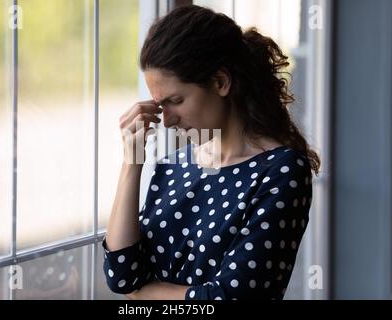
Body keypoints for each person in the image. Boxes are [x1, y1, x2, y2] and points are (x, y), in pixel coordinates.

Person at [102, 5, 320, 300]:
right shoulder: (175, 165)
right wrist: (132, 162)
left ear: (220, 82)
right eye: (160, 105)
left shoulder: (281, 170)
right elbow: (122, 274)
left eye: (176, 100)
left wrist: (144, 295)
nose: (166, 120)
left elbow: (228, 298)